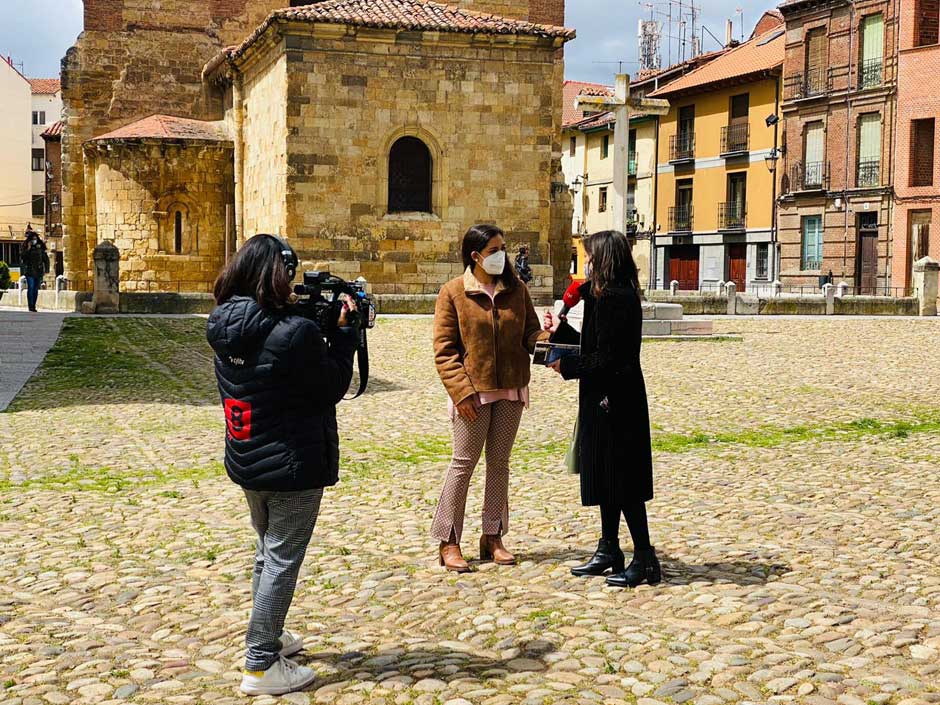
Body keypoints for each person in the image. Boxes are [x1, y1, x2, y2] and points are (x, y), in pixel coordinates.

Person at [206, 234, 358, 695]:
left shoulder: (223, 322)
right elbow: (331, 385)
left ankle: (268, 635)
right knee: (281, 560)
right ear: (280, 273)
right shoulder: (295, 332)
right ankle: (260, 664)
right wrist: (344, 336)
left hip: (247, 455)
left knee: (266, 553)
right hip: (292, 462)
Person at [544, 230, 660, 588]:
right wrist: (561, 328)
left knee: (623, 482)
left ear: (605, 260)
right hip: (601, 398)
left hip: (617, 400)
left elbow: (608, 358)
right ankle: (609, 547)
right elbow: (592, 344)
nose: (588, 264)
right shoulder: (603, 296)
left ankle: (645, 558)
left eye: (591, 257)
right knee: (606, 476)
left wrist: (567, 366)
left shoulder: (617, 298)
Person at [432, 224, 549, 572]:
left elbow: (530, 334)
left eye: (503, 248)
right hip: (473, 394)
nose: (502, 255)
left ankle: (493, 536)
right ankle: (448, 540)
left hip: (511, 390)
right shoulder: (453, 292)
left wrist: (548, 338)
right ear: (476, 255)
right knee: (463, 464)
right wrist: (461, 392)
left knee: (499, 464)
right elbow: (444, 351)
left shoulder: (517, 289)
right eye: (494, 249)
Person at [20, 227, 49, 313]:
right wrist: (28, 249)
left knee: (35, 289)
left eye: (35, 239)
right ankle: (30, 305)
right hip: (29, 271)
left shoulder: (40, 248)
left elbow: (45, 259)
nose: (34, 240)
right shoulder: (26, 247)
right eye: (32, 239)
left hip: (38, 271)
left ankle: (33, 305)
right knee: (31, 287)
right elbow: (23, 258)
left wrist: (46, 269)